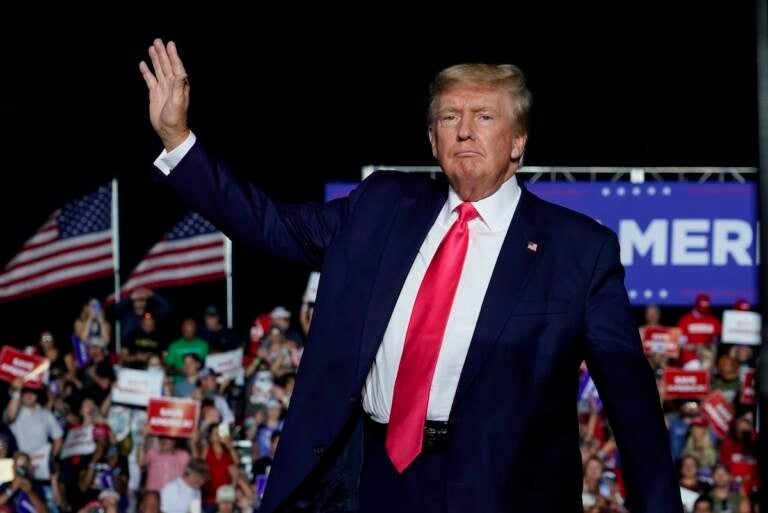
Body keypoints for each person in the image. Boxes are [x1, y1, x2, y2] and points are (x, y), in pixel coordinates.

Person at [140, 39, 682, 513]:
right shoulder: (380, 206)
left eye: (484, 117)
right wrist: (177, 138)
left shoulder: (579, 250)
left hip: (505, 491)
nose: (465, 131)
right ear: (432, 139)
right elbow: (268, 224)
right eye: (450, 117)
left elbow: (634, 413)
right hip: (376, 480)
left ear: (519, 142)